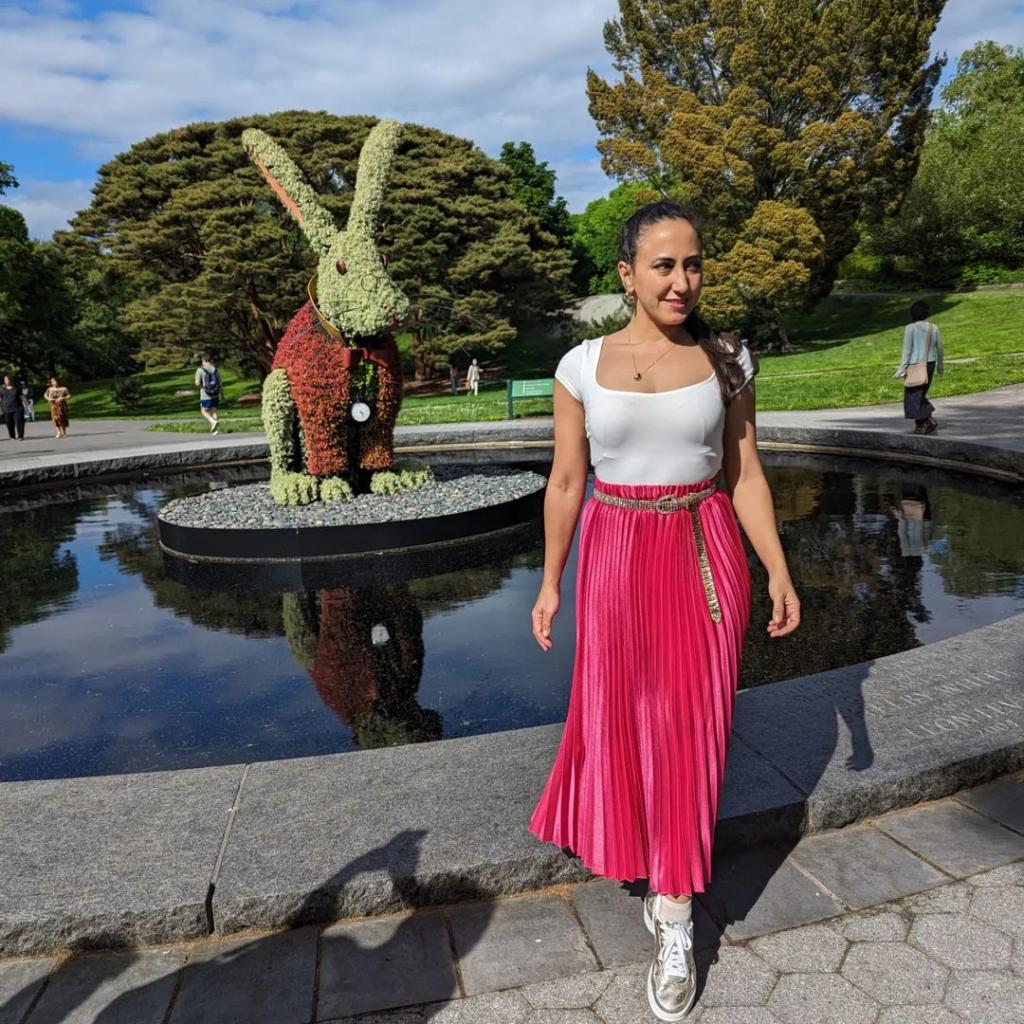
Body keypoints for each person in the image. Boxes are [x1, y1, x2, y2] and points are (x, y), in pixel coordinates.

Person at [528, 201, 800, 1021]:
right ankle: (648, 860)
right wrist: (550, 581)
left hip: (703, 551)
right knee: (619, 721)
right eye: (664, 266)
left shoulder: (728, 358)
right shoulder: (580, 366)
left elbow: (745, 474)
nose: (682, 282)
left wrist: (778, 569)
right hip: (614, 555)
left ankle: (676, 914)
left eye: (693, 265)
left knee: (692, 727)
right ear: (627, 274)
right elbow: (567, 480)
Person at [893, 300, 943, 434]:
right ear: (927, 313)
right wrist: (940, 366)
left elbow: (907, 351)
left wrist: (902, 369)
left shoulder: (910, 328)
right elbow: (939, 348)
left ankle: (923, 424)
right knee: (919, 394)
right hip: (930, 364)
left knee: (912, 396)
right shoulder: (934, 327)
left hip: (915, 366)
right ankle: (927, 420)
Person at [194, 352, 221, 434]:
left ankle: (213, 422)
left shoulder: (200, 370)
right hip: (215, 393)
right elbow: (220, 382)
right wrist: (221, 394)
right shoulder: (215, 369)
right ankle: (215, 430)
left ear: (202, 359)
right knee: (214, 411)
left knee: (203, 411)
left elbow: (197, 383)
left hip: (206, 393)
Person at [1, 375, 27, 440]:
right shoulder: (2, 389)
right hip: (6, 409)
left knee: (19, 422)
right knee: (9, 423)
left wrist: (27, 405)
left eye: (8, 379)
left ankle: (20, 436)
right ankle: (12, 436)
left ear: (11, 380)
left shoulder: (17, 388)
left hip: (17, 408)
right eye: (5, 380)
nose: (7, 381)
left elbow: (22, 397)